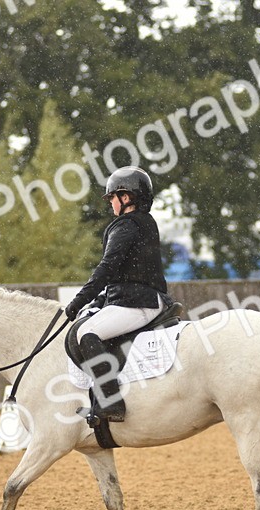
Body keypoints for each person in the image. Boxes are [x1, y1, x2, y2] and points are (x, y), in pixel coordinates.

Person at [64, 166, 173, 423]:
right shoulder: (145, 223)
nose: (110, 203)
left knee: (87, 334)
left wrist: (78, 301)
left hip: (137, 303)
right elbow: (124, 275)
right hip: (142, 298)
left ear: (126, 197)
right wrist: (98, 300)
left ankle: (111, 402)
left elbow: (107, 268)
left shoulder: (126, 225)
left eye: (113, 197)